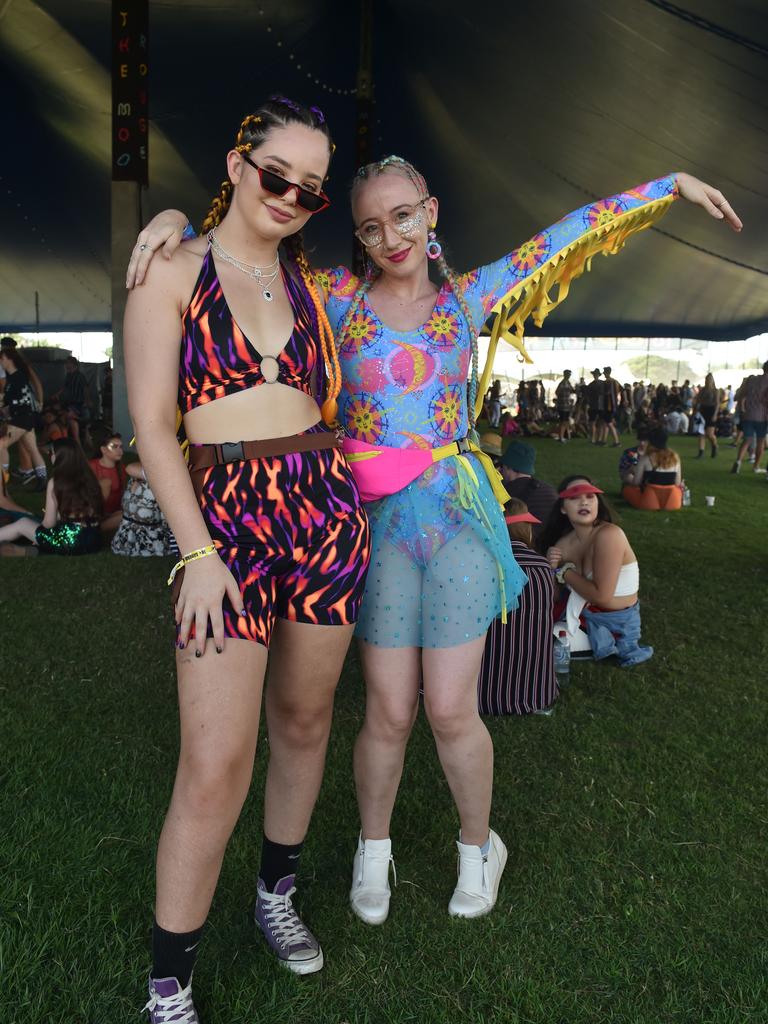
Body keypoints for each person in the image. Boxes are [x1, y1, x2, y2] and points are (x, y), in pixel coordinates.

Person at [132, 158, 740, 930]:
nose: (392, 236)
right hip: (370, 529)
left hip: (455, 521)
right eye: (372, 226)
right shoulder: (335, 297)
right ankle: (373, 848)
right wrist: (177, 226)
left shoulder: (469, 297)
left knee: (452, 709)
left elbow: (563, 236)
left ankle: (479, 845)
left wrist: (669, 186)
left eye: (405, 216)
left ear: (432, 211)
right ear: (357, 235)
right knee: (386, 710)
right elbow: (242, 257)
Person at [124, 98, 371, 1021]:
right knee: (216, 760)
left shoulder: (316, 284)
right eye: (275, 176)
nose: (291, 197)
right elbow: (153, 427)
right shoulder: (171, 269)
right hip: (221, 520)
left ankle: (276, 895)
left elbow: (417, 267)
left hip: (325, 511)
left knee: (305, 724)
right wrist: (197, 553)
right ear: (237, 166)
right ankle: (169, 982)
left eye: (310, 191)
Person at [539, 476, 653, 667]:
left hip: (615, 622)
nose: (584, 501)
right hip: (579, 612)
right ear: (562, 508)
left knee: (548, 644)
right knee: (531, 629)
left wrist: (563, 571)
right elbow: (554, 596)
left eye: (590, 496)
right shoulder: (564, 544)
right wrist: (550, 567)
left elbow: (601, 596)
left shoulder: (610, 535)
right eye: (574, 498)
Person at [478, 499, 556, 715]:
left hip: (481, 693)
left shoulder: (483, 565)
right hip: (536, 691)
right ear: (527, 531)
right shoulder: (542, 567)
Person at [0, 437, 101, 555]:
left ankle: (33, 547)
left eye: (51, 453)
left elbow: (48, 524)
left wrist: (40, 531)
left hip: (70, 541)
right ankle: (31, 550)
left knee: (23, 523)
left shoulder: (56, 482)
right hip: (94, 540)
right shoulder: (90, 478)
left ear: (59, 456)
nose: (50, 456)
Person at [0, 348, 47, 490]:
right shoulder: (15, 377)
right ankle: (42, 480)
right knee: (32, 449)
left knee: (1, 445)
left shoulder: (17, 377)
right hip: (25, 417)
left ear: (8, 359)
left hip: (22, 418)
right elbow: (8, 399)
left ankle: (3, 479)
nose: (0, 361)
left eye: (1, 358)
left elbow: (13, 399)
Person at [111, 461, 176, 557]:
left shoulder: (169, 475)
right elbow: (130, 467)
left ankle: (94, 527)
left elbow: (131, 468)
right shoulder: (147, 470)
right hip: (128, 529)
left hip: (149, 537)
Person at [499, 440, 557, 538]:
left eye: (502, 466)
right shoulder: (549, 490)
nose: (500, 470)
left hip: (525, 545)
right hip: (552, 543)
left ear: (508, 467)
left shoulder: (505, 494)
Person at [622, 427, 683, 510]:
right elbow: (677, 483)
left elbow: (636, 482)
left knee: (627, 490)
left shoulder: (645, 458)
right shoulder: (675, 457)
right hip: (672, 501)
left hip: (649, 500)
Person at [731, 361, 768, 474]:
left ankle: (738, 462)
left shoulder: (751, 380)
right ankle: (756, 467)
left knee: (747, 440)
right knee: (761, 442)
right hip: (762, 416)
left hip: (747, 415)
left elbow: (738, 396)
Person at [88, 429, 128, 531]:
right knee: (105, 483)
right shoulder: (92, 466)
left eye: (120, 447)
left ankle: (96, 528)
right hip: (93, 514)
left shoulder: (121, 468)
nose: (120, 451)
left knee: (127, 515)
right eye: (114, 447)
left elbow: (123, 493)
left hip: (112, 514)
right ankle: (92, 526)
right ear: (103, 450)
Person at [695, 372, 719, 458]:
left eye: (709, 380)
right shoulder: (702, 390)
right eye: (706, 379)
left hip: (711, 411)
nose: (707, 381)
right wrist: (696, 411)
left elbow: (717, 404)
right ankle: (701, 452)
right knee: (701, 433)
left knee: (710, 434)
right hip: (703, 411)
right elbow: (698, 400)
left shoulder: (715, 391)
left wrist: (715, 414)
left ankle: (715, 446)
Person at [601, 366, 621, 446]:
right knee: (606, 423)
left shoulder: (608, 382)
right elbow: (620, 390)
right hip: (612, 405)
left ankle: (617, 442)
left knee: (609, 423)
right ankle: (604, 441)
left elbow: (606, 393)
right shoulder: (614, 381)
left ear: (606, 373)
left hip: (609, 406)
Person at [554, 369, 574, 442]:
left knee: (565, 421)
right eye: (568, 374)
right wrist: (563, 393)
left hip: (567, 405)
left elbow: (572, 390)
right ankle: (561, 437)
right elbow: (557, 392)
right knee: (563, 421)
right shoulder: (562, 383)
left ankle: (563, 436)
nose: (569, 375)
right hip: (562, 405)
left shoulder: (568, 382)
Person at [586, 368, 603, 443]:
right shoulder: (602, 383)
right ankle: (597, 439)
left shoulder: (591, 385)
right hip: (599, 406)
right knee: (598, 423)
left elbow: (587, 396)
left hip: (594, 406)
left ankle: (594, 439)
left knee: (593, 423)